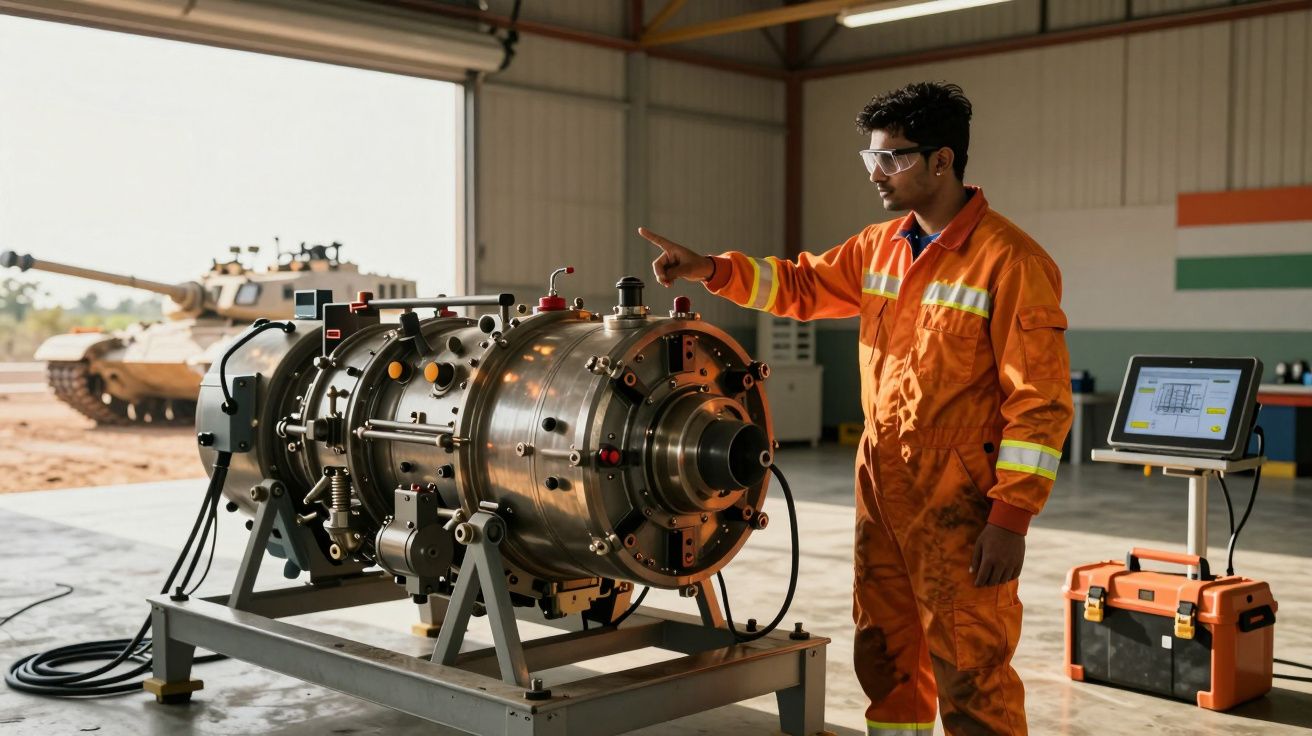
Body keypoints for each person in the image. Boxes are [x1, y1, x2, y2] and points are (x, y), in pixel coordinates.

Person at [638, 81, 1073, 736]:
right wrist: (712, 270)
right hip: (882, 480)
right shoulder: (880, 247)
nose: (877, 172)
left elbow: (1039, 401)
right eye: (869, 157)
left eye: (893, 157)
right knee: (884, 649)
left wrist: (1010, 517)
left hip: (962, 496)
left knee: (970, 661)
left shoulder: (1008, 261)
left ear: (942, 161)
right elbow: (802, 284)